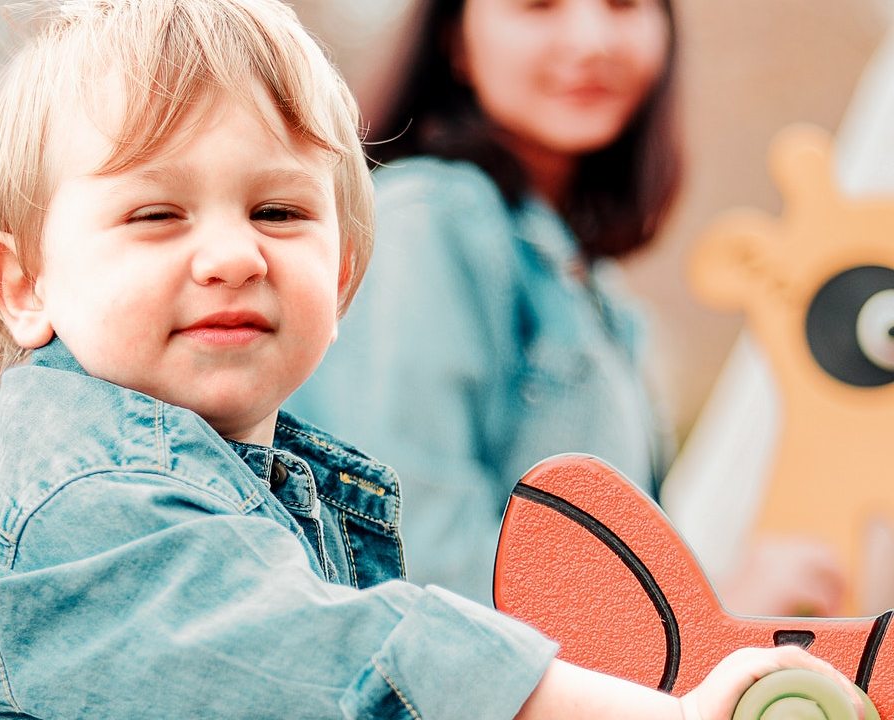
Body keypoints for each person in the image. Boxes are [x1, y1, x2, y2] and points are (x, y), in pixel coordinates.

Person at [0, 1, 860, 717]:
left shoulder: (281, 497)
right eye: (155, 213)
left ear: (342, 279)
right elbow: (358, 663)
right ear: (23, 285)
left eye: (279, 211)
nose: (234, 253)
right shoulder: (86, 509)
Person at [284, 0, 845, 615]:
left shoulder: (592, 284)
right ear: (456, 42)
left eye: (623, 4)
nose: (591, 38)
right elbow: (420, 573)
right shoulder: (426, 223)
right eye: (539, 6)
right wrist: (713, 623)